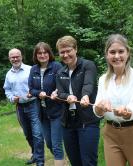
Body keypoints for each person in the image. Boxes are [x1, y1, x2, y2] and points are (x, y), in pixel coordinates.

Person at [93, 34, 133, 166]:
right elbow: (96, 110)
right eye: (112, 52)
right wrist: (99, 107)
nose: (117, 56)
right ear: (107, 55)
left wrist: (125, 111)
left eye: (121, 51)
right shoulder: (102, 79)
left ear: (128, 53)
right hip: (110, 133)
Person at [52, 35, 100, 166]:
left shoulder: (88, 65)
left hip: (87, 120)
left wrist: (85, 96)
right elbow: (60, 92)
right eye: (62, 52)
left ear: (76, 49)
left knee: (88, 162)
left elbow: (88, 84)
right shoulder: (60, 72)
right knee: (75, 162)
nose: (66, 55)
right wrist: (67, 97)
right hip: (68, 123)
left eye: (69, 50)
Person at [3, 48, 44, 165]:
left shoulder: (30, 70)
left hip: (33, 104)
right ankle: (35, 154)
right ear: (9, 59)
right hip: (19, 107)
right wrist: (11, 98)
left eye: (17, 56)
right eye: (12, 57)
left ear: (21, 57)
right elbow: (7, 90)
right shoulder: (8, 74)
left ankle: (40, 161)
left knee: (37, 134)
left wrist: (34, 91)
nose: (15, 59)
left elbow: (39, 85)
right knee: (28, 134)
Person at [28, 42, 64, 166]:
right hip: (42, 113)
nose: (42, 55)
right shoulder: (33, 69)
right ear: (36, 55)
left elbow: (63, 85)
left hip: (57, 112)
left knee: (56, 144)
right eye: (40, 53)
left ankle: (59, 161)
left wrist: (56, 91)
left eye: (45, 52)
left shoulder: (56, 66)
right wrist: (38, 93)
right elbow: (31, 89)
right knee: (49, 143)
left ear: (49, 53)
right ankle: (61, 160)